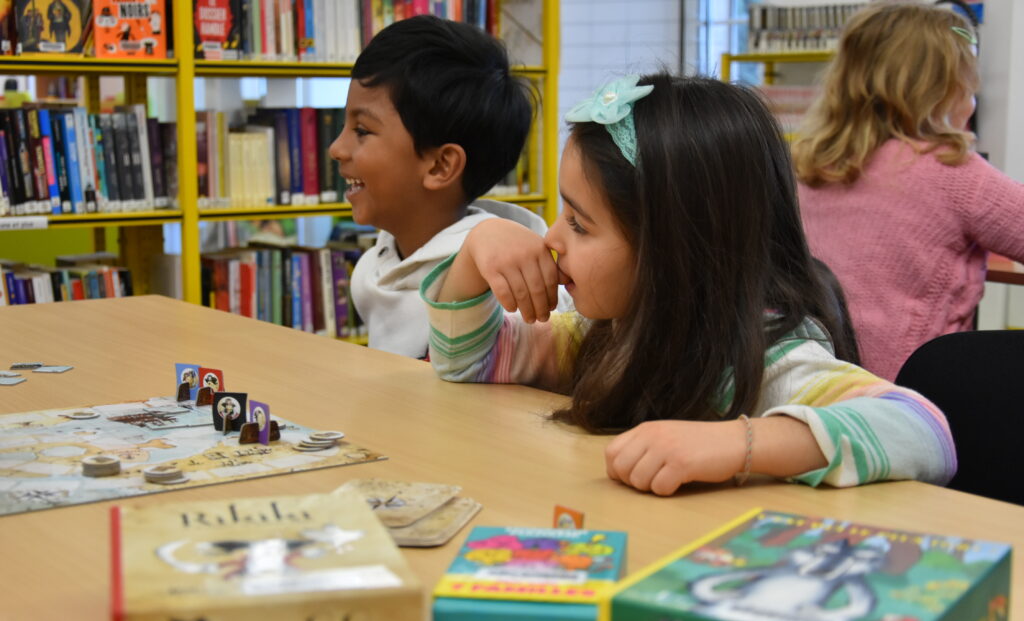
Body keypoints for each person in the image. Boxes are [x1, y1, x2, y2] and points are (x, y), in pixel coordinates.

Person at [420, 73, 956, 496]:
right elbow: (467, 361)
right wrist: (475, 250)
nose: (553, 238)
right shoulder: (603, 333)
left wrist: (734, 444)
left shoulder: (766, 358)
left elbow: (923, 431)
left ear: (674, 249)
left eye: (580, 224)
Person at [793, 2, 1024, 381]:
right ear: (942, 92)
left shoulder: (813, 166)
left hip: (819, 382)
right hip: (911, 397)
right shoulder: (950, 171)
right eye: (969, 89)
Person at [330, 14, 566, 359]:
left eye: (362, 131)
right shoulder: (375, 265)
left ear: (441, 165)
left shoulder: (500, 285)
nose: (336, 148)